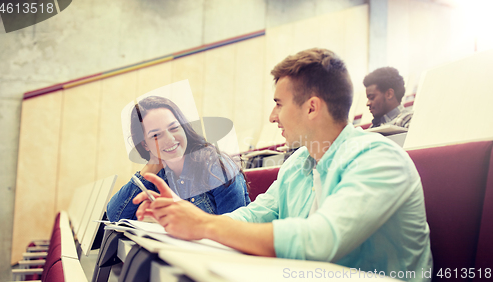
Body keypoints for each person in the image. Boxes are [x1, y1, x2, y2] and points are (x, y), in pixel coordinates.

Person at [133, 49, 432, 281]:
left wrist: (203, 224)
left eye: (278, 103)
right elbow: (253, 216)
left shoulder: (378, 158)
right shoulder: (299, 163)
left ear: (312, 107)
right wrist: (181, 217)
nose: (272, 117)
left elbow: (320, 241)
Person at [106, 96, 250, 222]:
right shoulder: (159, 177)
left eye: (174, 128)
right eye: (156, 135)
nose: (170, 139)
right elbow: (115, 216)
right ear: (145, 144)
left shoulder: (215, 167)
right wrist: (150, 168)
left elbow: (234, 230)